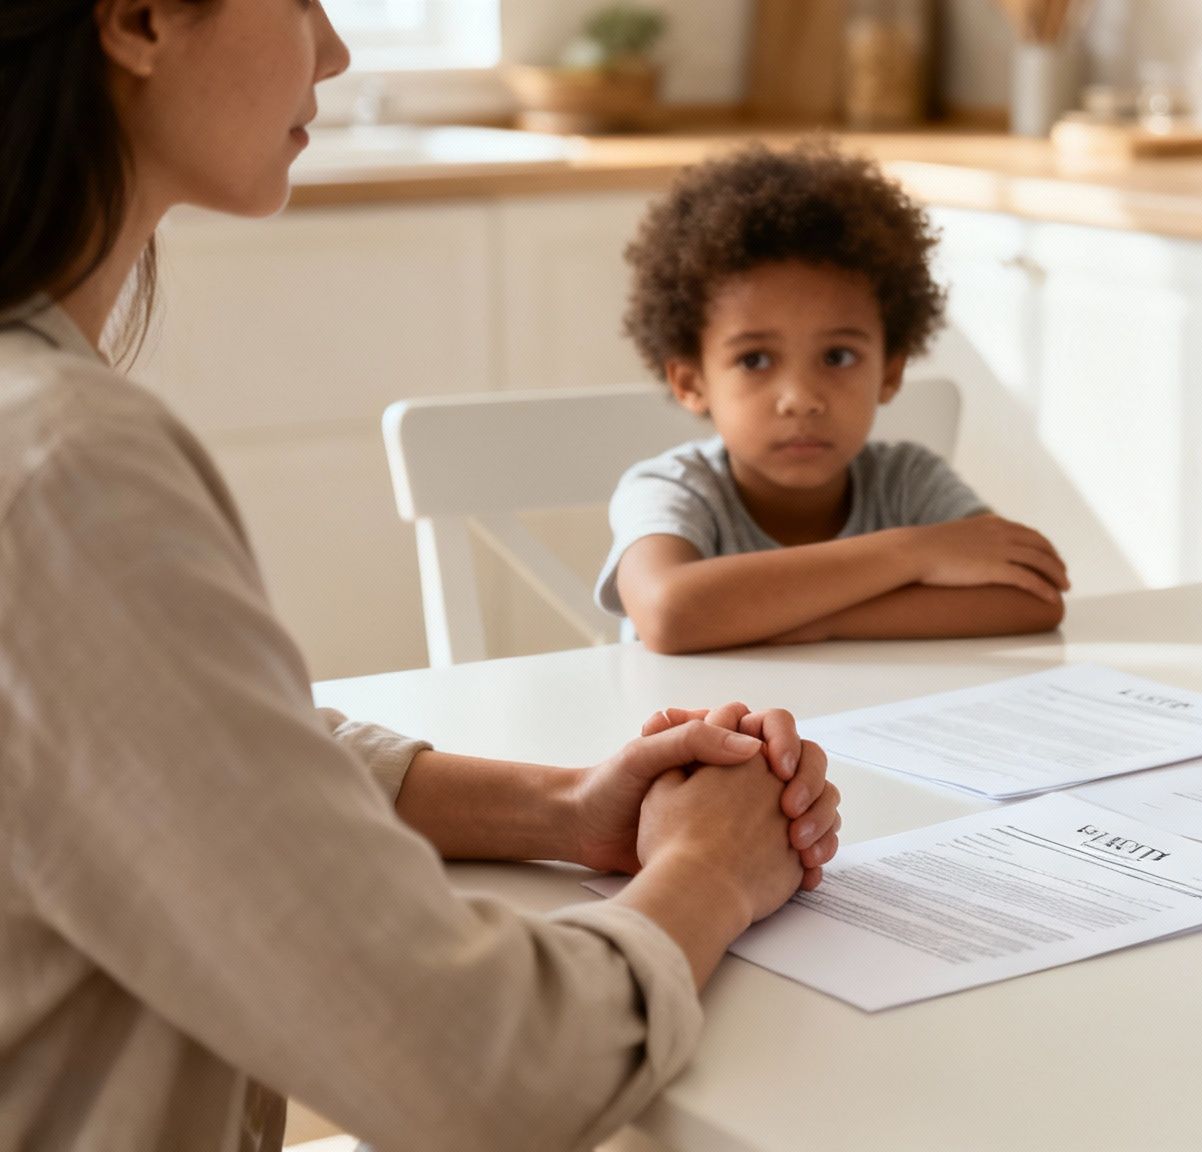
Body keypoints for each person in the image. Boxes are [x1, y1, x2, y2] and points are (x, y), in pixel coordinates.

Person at [0, 2, 841, 1149]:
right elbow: (483, 1072)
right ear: (142, 19)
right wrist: (711, 870)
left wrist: (563, 807)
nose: (335, 49)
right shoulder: (59, 469)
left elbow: (164, 741)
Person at [598, 142, 1071, 654]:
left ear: (889, 373)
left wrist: (821, 622)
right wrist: (912, 553)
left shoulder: (907, 481)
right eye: (755, 360)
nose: (801, 399)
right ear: (692, 383)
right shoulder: (672, 490)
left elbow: (1033, 598)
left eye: (838, 357)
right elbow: (670, 614)